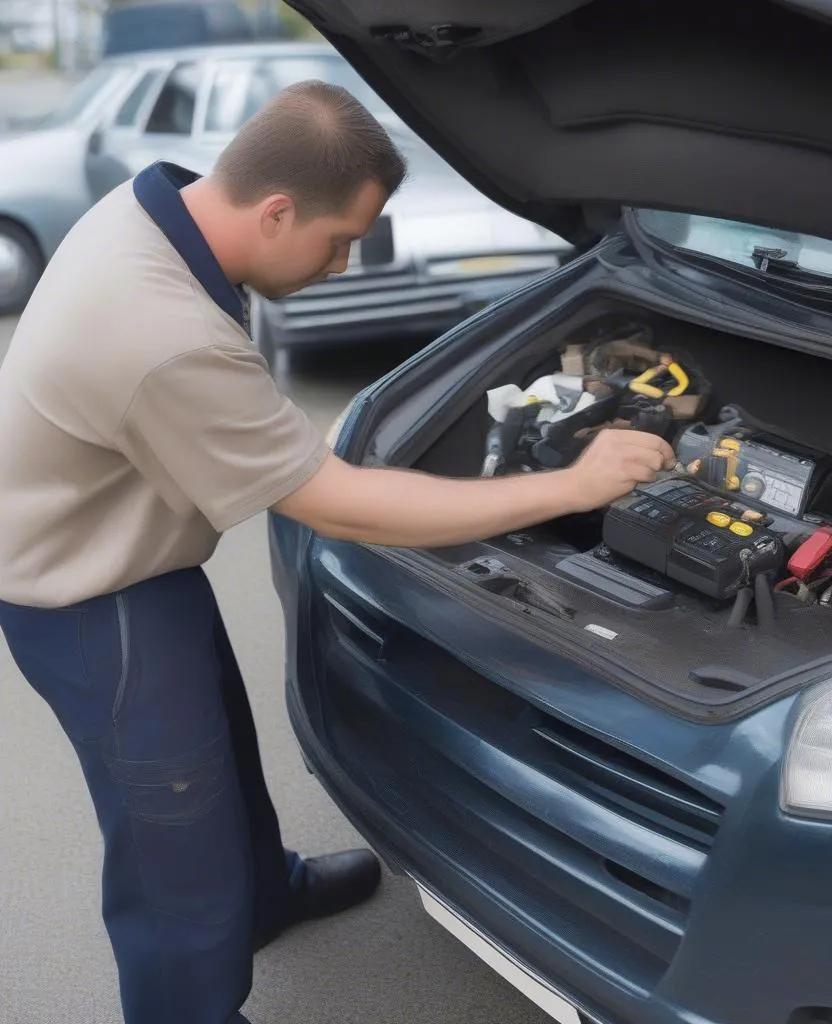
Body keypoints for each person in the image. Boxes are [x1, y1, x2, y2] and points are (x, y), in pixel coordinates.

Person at [0, 81, 675, 1024]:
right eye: (337, 240)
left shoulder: (156, 205)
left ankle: (263, 895)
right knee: (168, 827)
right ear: (275, 208)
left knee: (216, 750)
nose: (347, 262)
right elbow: (338, 504)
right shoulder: (160, 330)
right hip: (84, 596)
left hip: (131, 552)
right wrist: (570, 487)